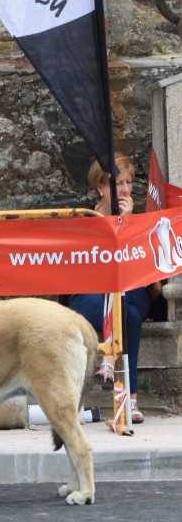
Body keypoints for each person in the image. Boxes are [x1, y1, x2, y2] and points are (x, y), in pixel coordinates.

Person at [68, 154, 162, 424]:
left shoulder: (137, 220)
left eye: (129, 182)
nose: (125, 189)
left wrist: (126, 223)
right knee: (128, 316)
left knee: (123, 300)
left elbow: (136, 270)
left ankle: (109, 360)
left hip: (131, 291)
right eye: (118, 183)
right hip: (90, 295)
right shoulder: (84, 218)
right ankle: (130, 401)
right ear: (100, 187)